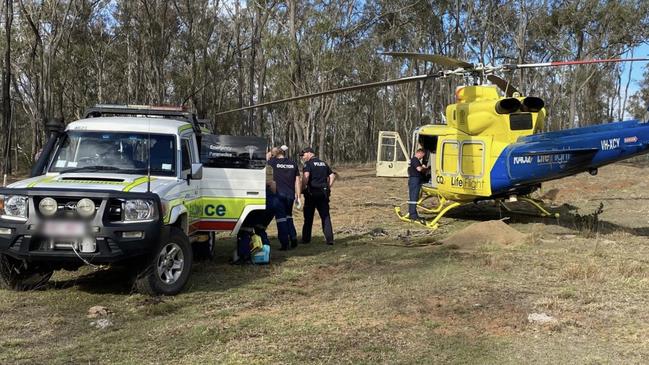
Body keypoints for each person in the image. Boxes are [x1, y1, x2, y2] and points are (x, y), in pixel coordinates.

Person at [267, 147, 301, 250]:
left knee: (281, 219)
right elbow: (297, 181)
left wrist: (271, 153)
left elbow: (266, 157)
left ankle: (284, 243)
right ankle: (293, 238)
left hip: (278, 194)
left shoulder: (272, 162)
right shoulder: (293, 163)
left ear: (275, 154)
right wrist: (298, 196)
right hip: (290, 195)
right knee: (288, 216)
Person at [300, 147, 335, 245]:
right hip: (323, 193)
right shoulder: (323, 163)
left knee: (308, 217)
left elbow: (306, 177)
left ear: (310, 153)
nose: (303, 157)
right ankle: (329, 239)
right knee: (325, 216)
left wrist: (302, 187)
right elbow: (332, 176)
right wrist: (328, 187)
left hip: (312, 193)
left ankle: (306, 239)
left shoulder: (308, 164)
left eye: (304, 155)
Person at [407, 148, 428, 223]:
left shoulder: (415, 160)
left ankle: (413, 214)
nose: (422, 157)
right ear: (420, 153)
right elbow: (419, 169)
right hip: (414, 180)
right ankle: (412, 215)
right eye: (422, 156)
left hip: (415, 180)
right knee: (413, 197)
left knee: (414, 197)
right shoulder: (415, 160)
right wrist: (425, 168)